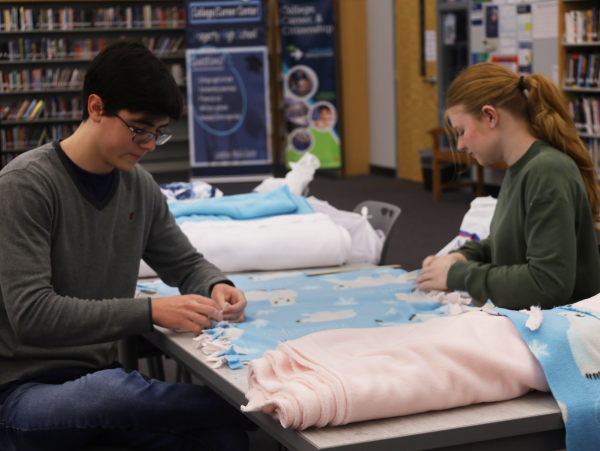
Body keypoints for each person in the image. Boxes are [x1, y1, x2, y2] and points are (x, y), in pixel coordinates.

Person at [0, 39, 255, 450]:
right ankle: (261, 406)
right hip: (19, 393)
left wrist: (213, 285)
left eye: (159, 133)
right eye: (139, 129)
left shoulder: (139, 187)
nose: (150, 145)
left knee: (222, 439)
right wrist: (150, 311)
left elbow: (184, 262)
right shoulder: (24, 185)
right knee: (113, 393)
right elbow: (32, 314)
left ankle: (245, 412)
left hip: (97, 382)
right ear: (96, 108)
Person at [416, 63, 600, 310]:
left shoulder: (546, 170)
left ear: (490, 116)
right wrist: (464, 255)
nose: (459, 145)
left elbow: (546, 285)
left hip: (560, 332)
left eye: (461, 131)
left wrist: (457, 274)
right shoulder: (522, 167)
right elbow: (510, 241)